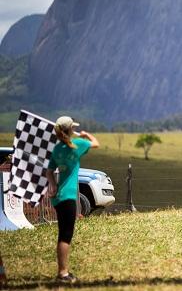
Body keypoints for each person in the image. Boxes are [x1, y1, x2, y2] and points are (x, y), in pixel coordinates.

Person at [47, 116, 99, 283]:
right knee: (66, 235)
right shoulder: (77, 145)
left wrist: (53, 186)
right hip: (69, 196)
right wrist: (85, 135)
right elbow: (96, 143)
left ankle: (62, 271)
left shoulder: (57, 149)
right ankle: (63, 273)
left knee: (63, 234)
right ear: (70, 130)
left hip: (59, 198)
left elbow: (49, 171)